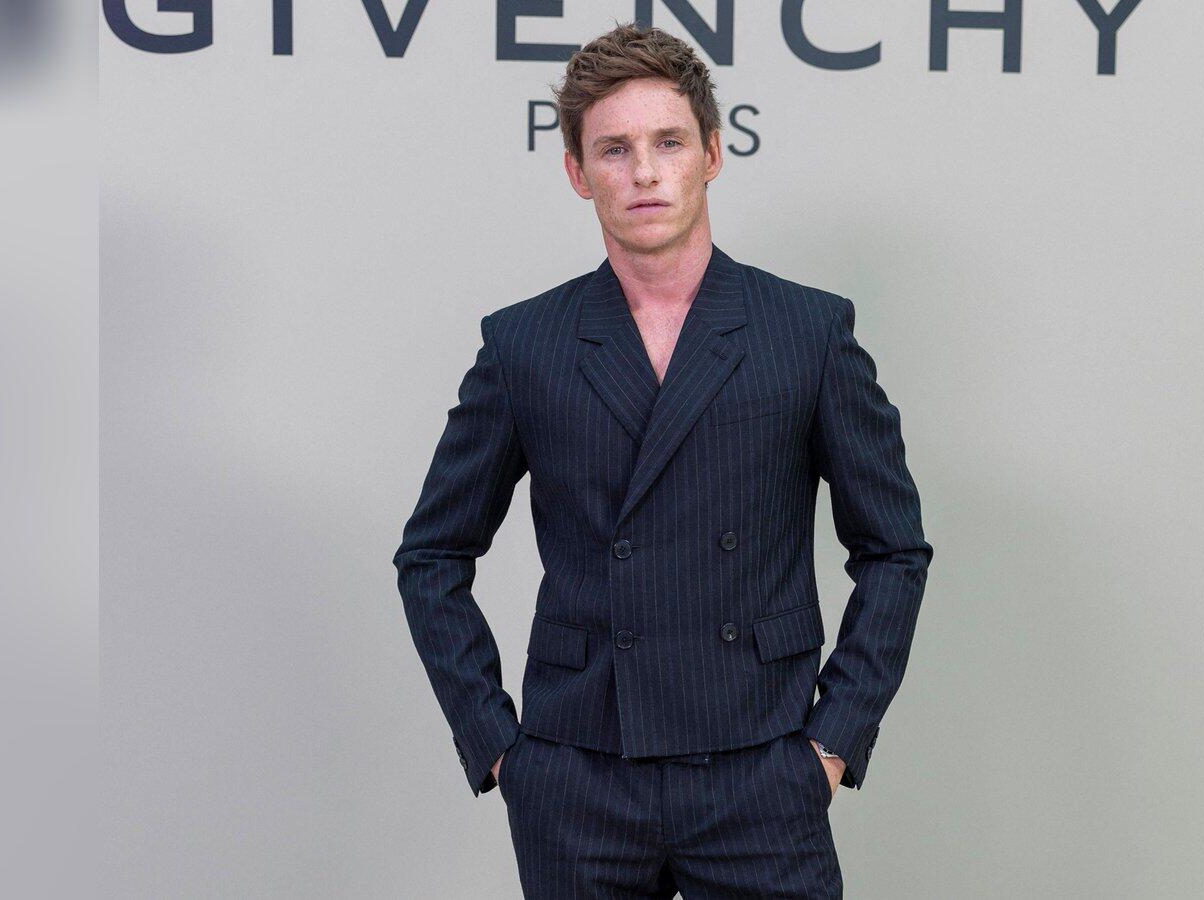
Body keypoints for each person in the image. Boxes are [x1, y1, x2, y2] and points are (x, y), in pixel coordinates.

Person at [392, 21, 933, 898]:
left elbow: (895, 549)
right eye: (614, 149)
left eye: (669, 142)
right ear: (578, 173)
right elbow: (431, 556)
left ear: (712, 153)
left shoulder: (807, 331)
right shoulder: (526, 344)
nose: (644, 171)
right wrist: (497, 746)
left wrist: (834, 741)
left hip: (761, 767)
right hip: (578, 773)